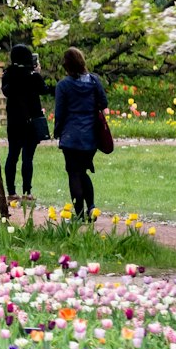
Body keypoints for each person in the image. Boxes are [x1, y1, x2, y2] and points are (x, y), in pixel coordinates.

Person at [53, 47, 107, 220]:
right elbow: (103, 102)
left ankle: (79, 214)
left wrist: (57, 131)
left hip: (71, 136)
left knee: (74, 174)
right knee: (83, 171)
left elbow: (60, 112)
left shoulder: (63, 85)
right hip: (91, 134)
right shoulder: (94, 81)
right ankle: (91, 207)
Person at [1, 44, 51, 202]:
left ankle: (11, 191)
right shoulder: (32, 76)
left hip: (15, 119)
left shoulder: (8, 74)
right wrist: (37, 74)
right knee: (28, 157)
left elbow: (6, 91)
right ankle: (27, 191)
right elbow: (44, 90)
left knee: (12, 155)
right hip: (32, 119)